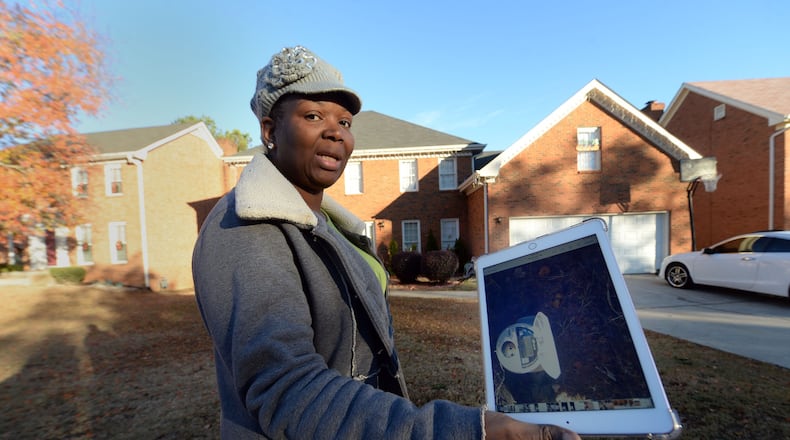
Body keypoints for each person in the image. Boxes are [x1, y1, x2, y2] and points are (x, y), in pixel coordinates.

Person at [192, 45, 581, 440]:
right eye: (313, 115)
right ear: (270, 130)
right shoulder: (244, 229)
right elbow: (288, 389)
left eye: (344, 122)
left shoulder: (330, 227)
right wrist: (463, 430)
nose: (335, 131)